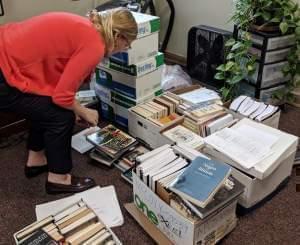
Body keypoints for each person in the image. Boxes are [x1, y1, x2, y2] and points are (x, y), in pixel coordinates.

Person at [0, 8, 138, 194]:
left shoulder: (88, 26)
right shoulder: (95, 45)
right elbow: (62, 96)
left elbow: (57, 82)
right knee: (61, 116)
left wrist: (75, 107)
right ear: (118, 36)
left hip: (6, 51)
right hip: (5, 72)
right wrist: (82, 110)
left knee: (45, 104)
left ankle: (36, 159)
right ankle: (59, 178)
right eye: (127, 44)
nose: (124, 49)